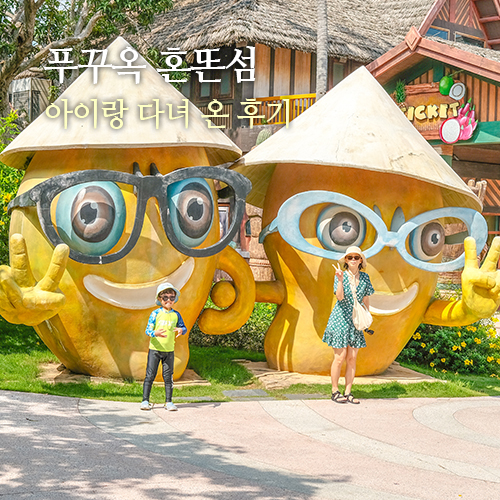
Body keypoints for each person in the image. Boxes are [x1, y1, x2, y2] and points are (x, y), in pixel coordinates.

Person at [322, 246, 374, 404]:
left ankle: (348, 392)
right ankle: (335, 391)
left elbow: (366, 299)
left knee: (352, 358)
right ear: (346, 260)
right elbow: (339, 297)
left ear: (360, 260)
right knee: (339, 357)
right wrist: (339, 280)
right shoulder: (341, 275)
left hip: (355, 321)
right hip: (340, 319)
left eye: (356, 257)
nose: (353, 260)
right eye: (349, 257)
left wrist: (366, 319)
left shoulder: (365, 278)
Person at [140, 282, 187, 411]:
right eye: (165, 297)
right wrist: (155, 333)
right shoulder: (155, 314)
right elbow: (147, 330)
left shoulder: (176, 315)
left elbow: (184, 328)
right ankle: (145, 400)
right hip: (155, 350)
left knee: (168, 377)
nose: (168, 300)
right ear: (160, 299)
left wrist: (181, 330)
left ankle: (168, 402)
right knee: (150, 375)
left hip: (169, 351)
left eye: (171, 297)